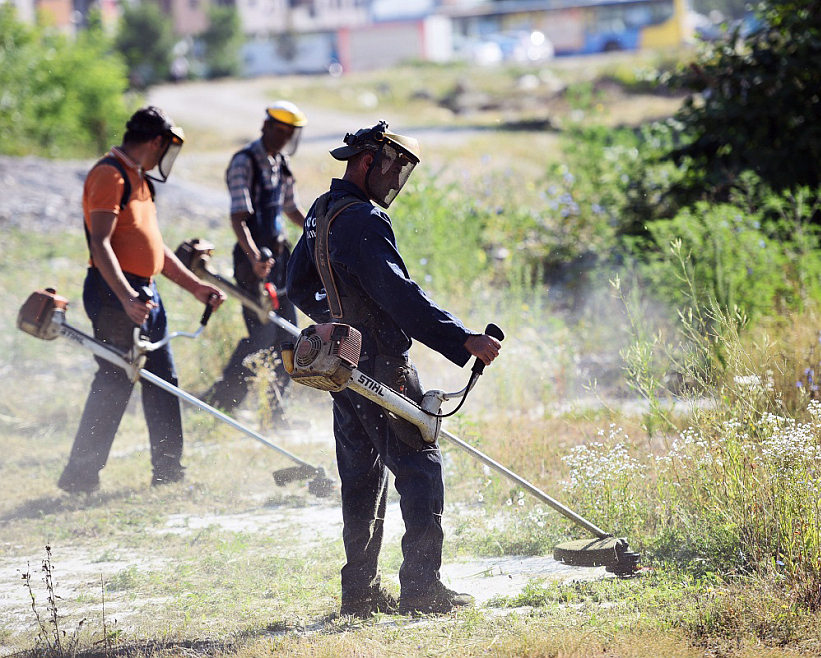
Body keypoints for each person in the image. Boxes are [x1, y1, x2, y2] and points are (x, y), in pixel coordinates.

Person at [285, 121, 501, 617]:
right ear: (367, 162)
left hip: (344, 368)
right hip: (383, 367)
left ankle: (359, 593)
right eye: (394, 166)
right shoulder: (362, 219)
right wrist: (460, 338)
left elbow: (298, 286)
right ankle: (423, 590)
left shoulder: (322, 212)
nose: (396, 179)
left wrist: (336, 326)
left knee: (360, 480)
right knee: (420, 469)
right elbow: (399, 295)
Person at [57, 106, 226, 494]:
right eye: (165, 147)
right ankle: (80, 476)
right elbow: (99, 244)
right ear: (155, 142)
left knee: (163, 380)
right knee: (115, 379)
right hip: (115, 292)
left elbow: (155, 249)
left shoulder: (139, 179)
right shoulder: (109, 174)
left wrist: (196, 288)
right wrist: (127, 296)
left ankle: (168, 470)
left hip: (143, 291)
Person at [202, 102, 307, 416]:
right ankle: (224, 401)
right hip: (253, 262)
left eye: (289, 133)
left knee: (288, 334)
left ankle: (277, 412)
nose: (283, 137)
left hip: (280, 259)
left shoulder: (282, 163)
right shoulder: (244, 162)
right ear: (265, 126)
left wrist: (320, 229)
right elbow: (239, 218)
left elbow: (291, 210)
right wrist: (254, 258)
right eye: (279, 130)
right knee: (261, 336)